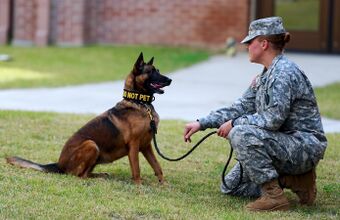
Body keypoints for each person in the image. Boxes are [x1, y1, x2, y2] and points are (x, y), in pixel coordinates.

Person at [183, 17, 327, 212]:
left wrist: (234, 124)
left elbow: (272, 119)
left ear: (264, 43)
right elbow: (240, 107)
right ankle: (297, 181)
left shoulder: (283, 73)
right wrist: (202, 123)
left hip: (304, 146)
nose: (247, 46)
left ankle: (274, 196)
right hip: (283, 143)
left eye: (250, 42)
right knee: (231, 186)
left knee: (240, 133)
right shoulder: (266, 74)